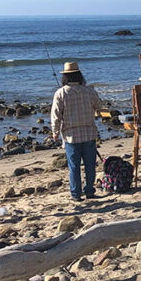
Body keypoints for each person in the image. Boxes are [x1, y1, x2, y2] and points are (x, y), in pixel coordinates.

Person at [51, 61, 102, 201]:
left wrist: (54, 132)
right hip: (89, 133)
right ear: (79, 75)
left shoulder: (60, 93)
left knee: (74, 167)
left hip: (70, 136)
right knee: (90, 165)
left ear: (65, 77)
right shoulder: (90, 91)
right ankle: (89, 191)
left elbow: (56, 115)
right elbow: (99, 106)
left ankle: (76, 194)